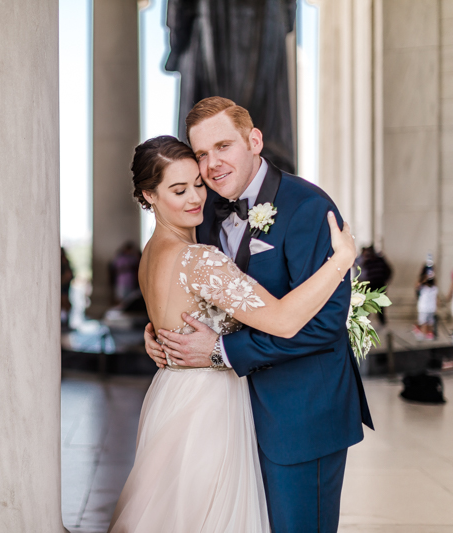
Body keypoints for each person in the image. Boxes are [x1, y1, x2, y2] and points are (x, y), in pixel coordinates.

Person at [142, 97, 372, 532]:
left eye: (223, 147)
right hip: (230, 419)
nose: (212, 165)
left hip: (299, 415)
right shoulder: (203, 208)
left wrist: (221, 351)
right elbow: (188, 282)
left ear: (254, 141)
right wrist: (160, 329)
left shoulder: (308, 207)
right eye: (202, 154)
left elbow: (324, 327)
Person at [355, 245, 392, 324]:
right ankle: (364, 320)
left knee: (380, 304)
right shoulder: (366, 261)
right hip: (371, 285)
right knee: (368, 303)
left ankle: (382, 322)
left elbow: (388, 270)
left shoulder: (380, 260)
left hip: (379, 284)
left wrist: (385, 280)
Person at [414, 268, 437, 340]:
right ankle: (421, 333)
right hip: (423, 308)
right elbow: (417, 285)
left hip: (431, 308)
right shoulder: (423, 287)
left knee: (430, 323)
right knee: (424, 323)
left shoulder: (434, 288)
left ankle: (427, 334)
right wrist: (424, 278)